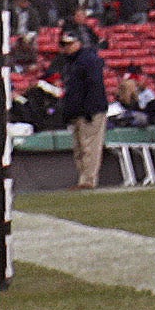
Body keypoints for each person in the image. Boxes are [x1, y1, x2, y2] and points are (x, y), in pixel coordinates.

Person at [56, 22, 110, 189]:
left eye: (69, 44)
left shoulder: (88, 60)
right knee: (79, 148)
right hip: (78, 111)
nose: (66, 48)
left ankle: (88, 180)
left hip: (90, 111)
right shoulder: (70, 62)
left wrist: (89, 109)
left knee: (89, 147)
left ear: (78, 43)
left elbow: (94, 85)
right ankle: (83, 179)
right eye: (63, 44)